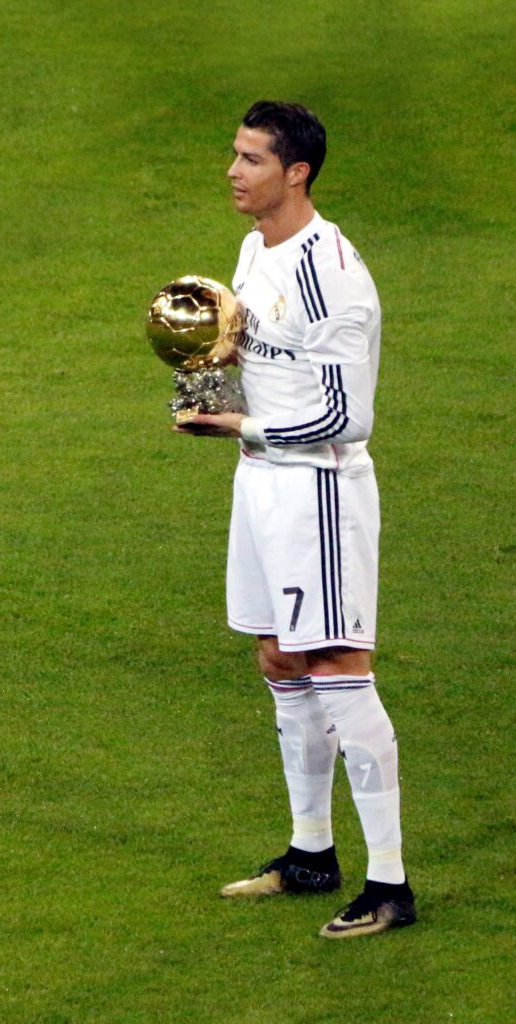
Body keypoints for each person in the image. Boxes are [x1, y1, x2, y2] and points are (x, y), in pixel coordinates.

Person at [175, 100, 416, 939]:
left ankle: (389, 883)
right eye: (233, 153)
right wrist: (211, 367)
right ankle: (311, 852)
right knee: (279, 658)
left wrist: (238, 424)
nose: (233, 171)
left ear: (295, 172)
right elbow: (263, 353)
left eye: (249, 159)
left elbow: (347, 417)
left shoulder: (334, 278)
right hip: (260, 485)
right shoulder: (254, 248)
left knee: (338, 666)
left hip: (317, 488)